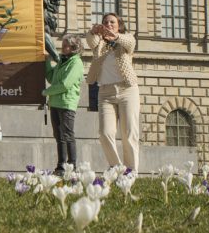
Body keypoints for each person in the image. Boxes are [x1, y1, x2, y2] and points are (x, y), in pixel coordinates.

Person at [85, 13, 139, 171]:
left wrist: (115, 36)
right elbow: (90, 41)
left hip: (127, 90)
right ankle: (116, 168)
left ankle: (131, 171)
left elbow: (129, 42)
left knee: (129, 133)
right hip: (105, 92)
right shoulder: (99, 43)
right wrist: (93, 31)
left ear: (119, 25)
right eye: (105, 22)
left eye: (112, 22)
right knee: (105, 133)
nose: (108, 24)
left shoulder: (125, 40)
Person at [43, 34, 84, 171]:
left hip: (67, 103)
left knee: (67, 134)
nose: (62, 47)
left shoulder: (76, 63)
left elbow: (65, 84)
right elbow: (51, 78)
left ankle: (72, 166)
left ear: (73, 47)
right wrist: (47, 61)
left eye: (66, 45)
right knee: (59, 136)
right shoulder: (62, 62)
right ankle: (61, 166)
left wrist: (46, 92)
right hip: (55, 103)